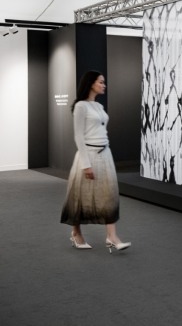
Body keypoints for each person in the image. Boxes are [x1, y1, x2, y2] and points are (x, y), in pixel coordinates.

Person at [60, 70, 131, 253]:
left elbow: (101, 130)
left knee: (109, 194)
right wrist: (86, 164)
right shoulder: (81, 106)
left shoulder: (99, 106)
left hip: (105, 154)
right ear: (91, 83)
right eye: (100, 82)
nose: (104, 85)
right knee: (79, 196)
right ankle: (76, 233)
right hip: (88, 154)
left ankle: (112, 237)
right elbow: (78, 136)